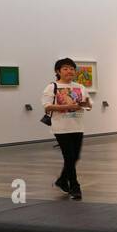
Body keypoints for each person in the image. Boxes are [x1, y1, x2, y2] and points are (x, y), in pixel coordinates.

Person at [43, 57, 91, 200]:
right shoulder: (52, 87)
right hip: (61, 128)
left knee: (75, 157)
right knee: (69, 157)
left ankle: (62, 180)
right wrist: (69, 106)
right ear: (58, 71)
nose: (69, 71)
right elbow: (47, 106)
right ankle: (75, 186)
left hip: (77, 126)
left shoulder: (80, 87)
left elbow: (88, 105)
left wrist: (85, 103)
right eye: (65, 68)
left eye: (71, 68)